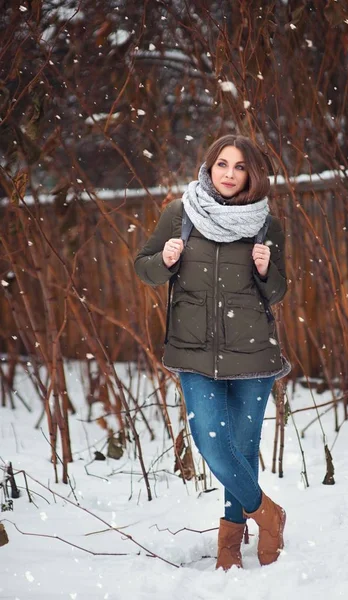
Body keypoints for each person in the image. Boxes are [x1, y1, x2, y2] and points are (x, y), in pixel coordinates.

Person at [134, 134, 291, 571]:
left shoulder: (266, 225)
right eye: (222, 164)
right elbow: (144, 269)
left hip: (254, 355)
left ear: (251, 174)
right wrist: (163, 260)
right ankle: (268, 514)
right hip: (193, 352)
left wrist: (264, 269)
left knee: (242, 445)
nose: (228, 173)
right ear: (209, 166)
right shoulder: (180, 214)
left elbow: (278, 290)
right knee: (210, 440)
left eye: (239, 167)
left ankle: (229, 541)